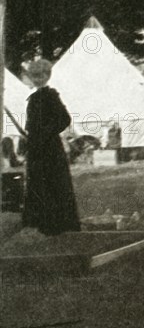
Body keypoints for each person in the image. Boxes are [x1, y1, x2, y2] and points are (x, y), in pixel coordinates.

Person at [21, 59, 80, 236]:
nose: (38, 79)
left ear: (47, 76)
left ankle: (60, 224)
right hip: (36, 149)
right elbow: (31, 124)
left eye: (41, 76)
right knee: (39, 184)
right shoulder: (33, 98)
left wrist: (45, 133)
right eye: (34, 76)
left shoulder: (51, 96)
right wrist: (31, 137)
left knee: (54, 184)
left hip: (50, 149)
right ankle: (43, 223)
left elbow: (64, 119)